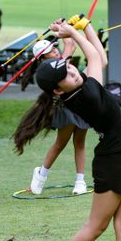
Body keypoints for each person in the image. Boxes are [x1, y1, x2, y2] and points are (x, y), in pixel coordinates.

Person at [14, 16, 121, 241]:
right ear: (58, 90)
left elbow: (96, 56)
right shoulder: (85, 95)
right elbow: (95, 56)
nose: (73, 71)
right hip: (113, 159)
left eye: (70, 66)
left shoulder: (81, 87)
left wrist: (83, 27)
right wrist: (73, 31)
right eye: (68, 74)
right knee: (96, 227)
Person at [15, 37, 90, 195]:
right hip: (65, 108)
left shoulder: (58, 62)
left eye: (55, 48)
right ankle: (41, 175)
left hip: (80, 103)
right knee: (60, 144)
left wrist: (63, 30)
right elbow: (70, 45)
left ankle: (80, 181)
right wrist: (65, 30)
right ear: (42, 59)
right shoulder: (51, 69)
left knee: (80, 141)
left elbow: (70, 44)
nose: (56, 50)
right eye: (50, 51)